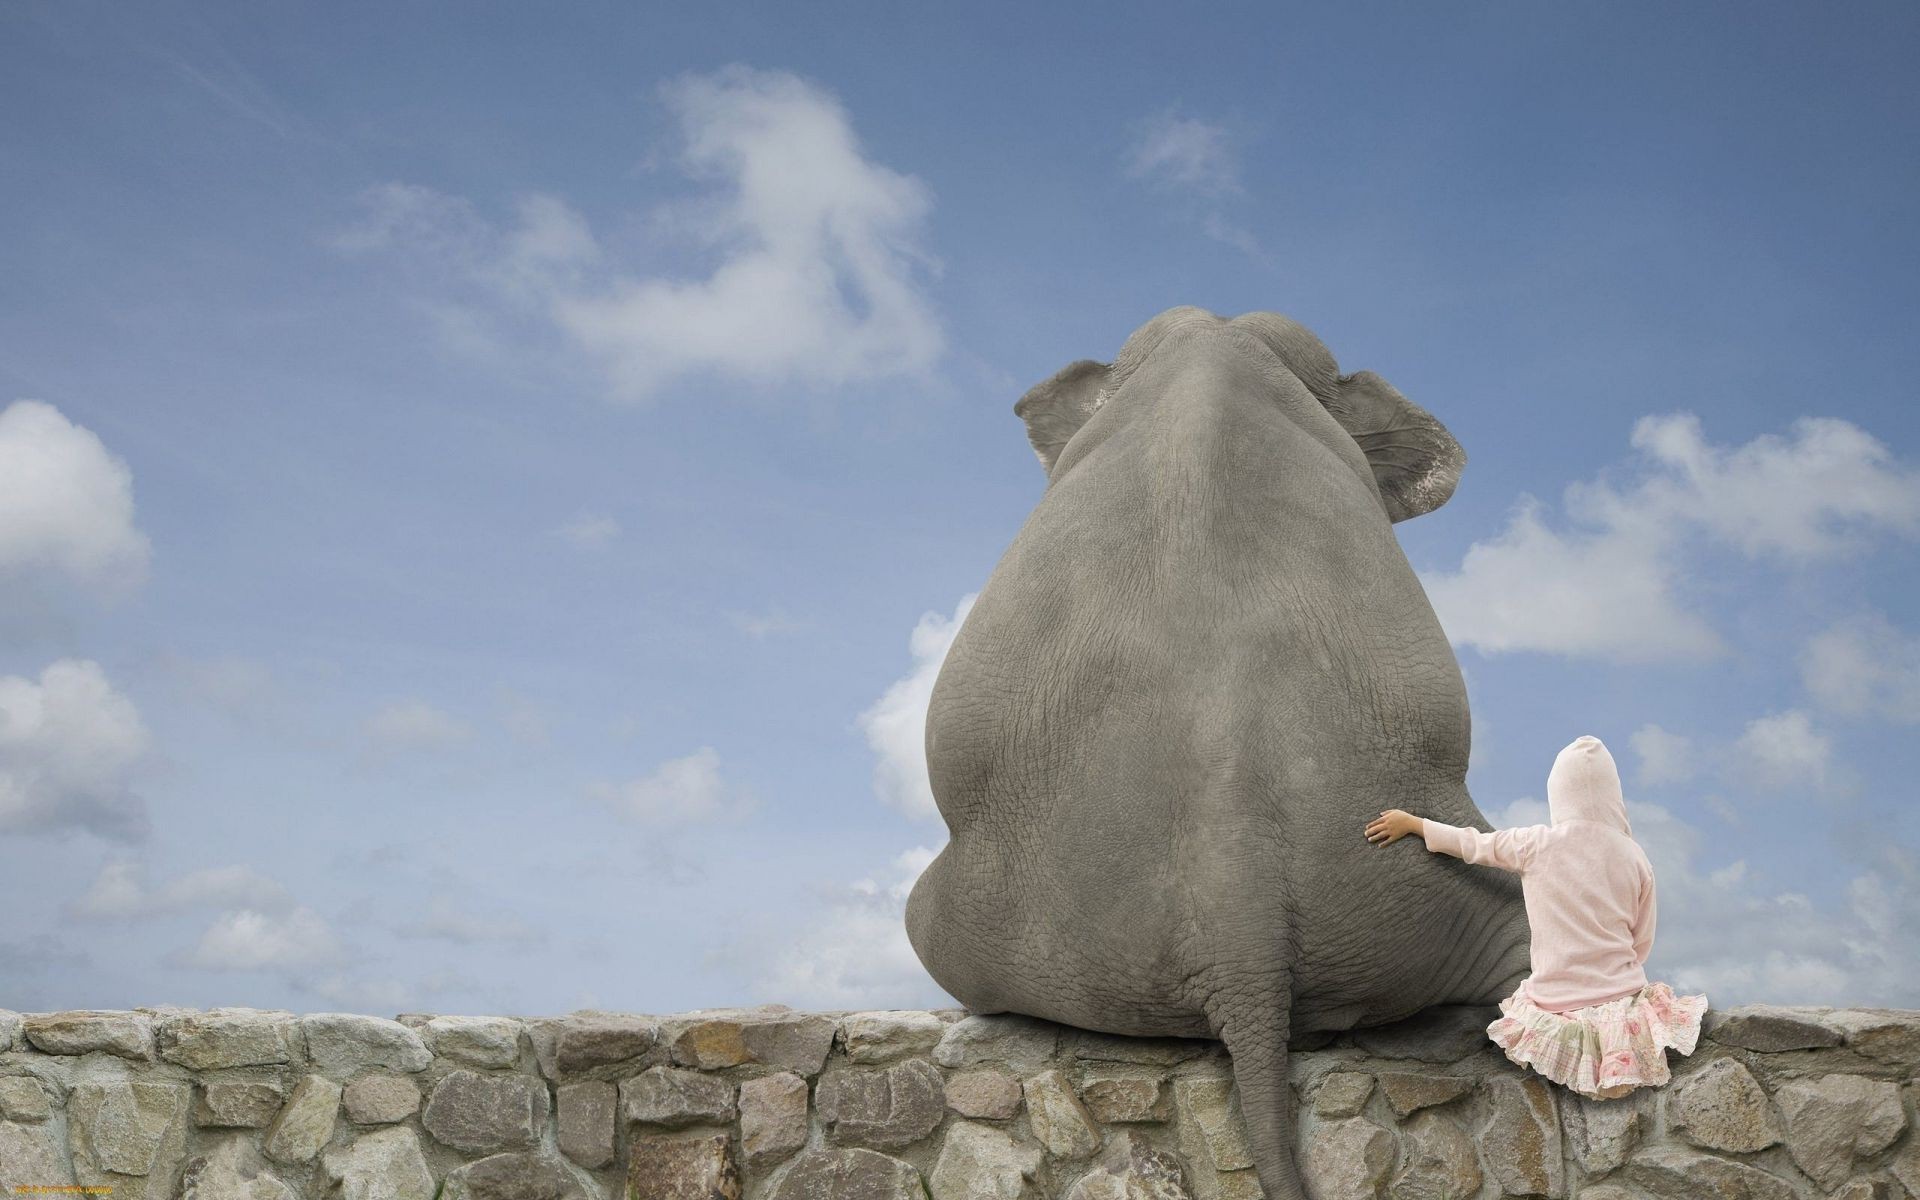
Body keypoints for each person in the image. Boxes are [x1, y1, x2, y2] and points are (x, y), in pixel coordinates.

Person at [1363, 733, 1708, 1100]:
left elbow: (1472, 844)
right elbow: (1642, 936)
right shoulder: (1633, 855)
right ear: (1614, 795)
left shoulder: (1535, 844)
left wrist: (1416, 824)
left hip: (1555, 1002)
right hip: (1621, 997)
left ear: (1558, 793)